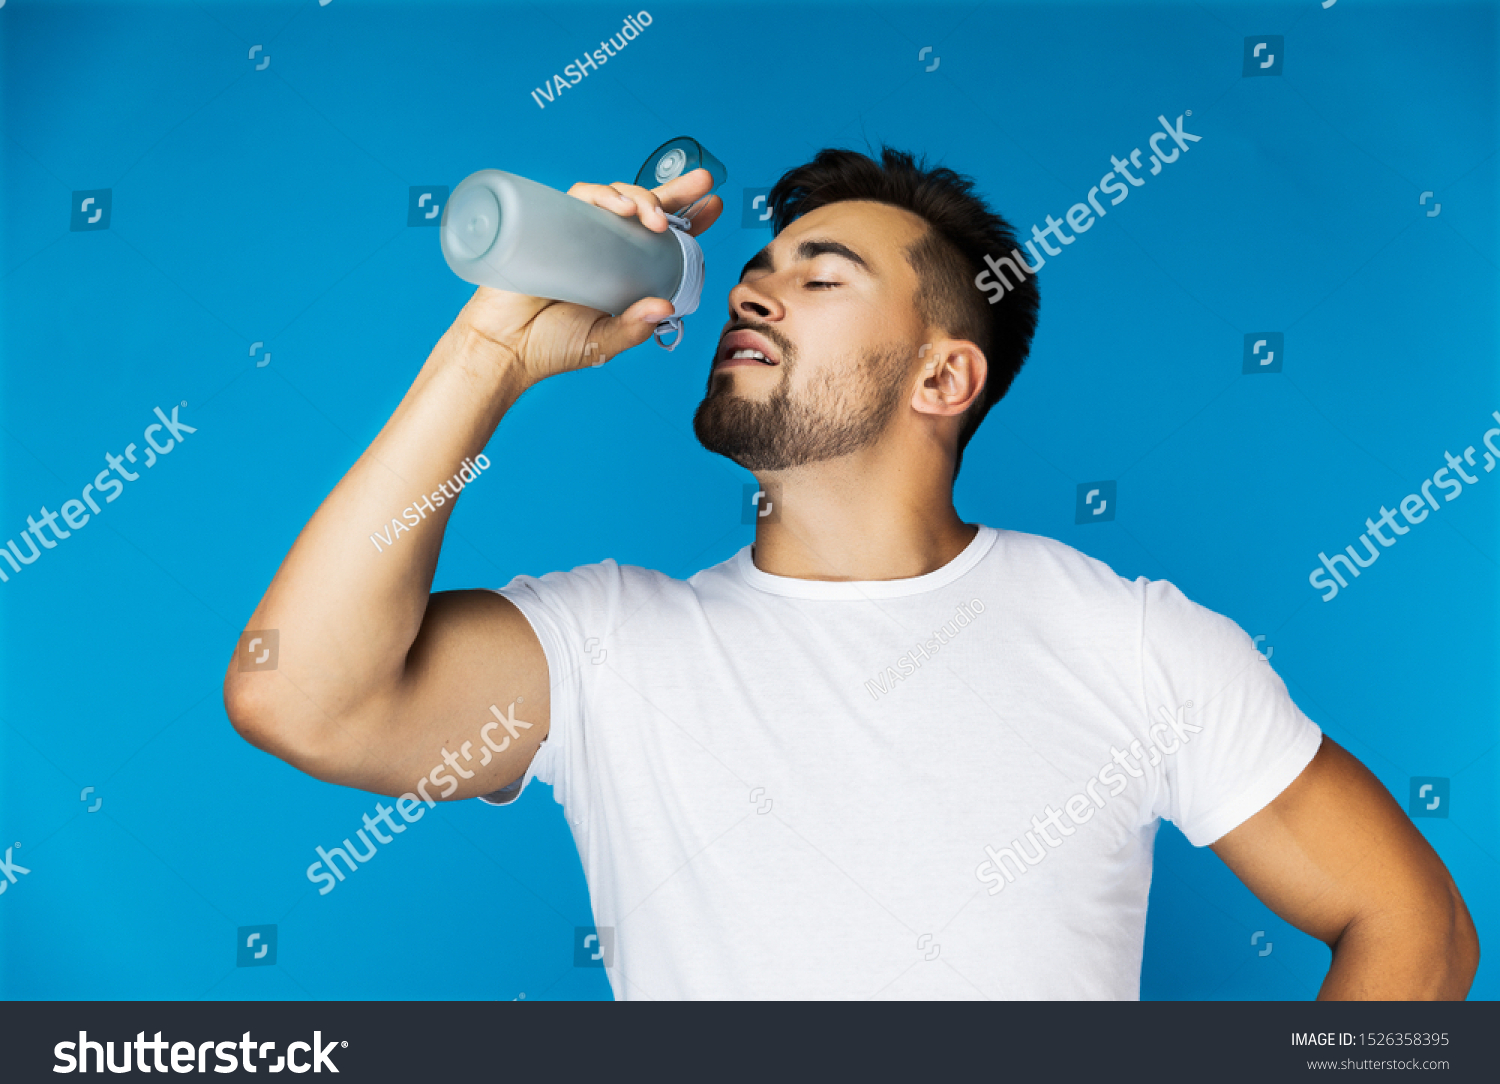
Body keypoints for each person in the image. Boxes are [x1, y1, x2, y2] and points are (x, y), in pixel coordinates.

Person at [224, 148, 1478, 1000]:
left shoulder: (1131, 641)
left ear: (944, 378)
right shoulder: (608, 645)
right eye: (758, 277)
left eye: (821, 279)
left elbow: (1414, 926)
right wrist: (490, 347)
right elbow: (299, 696)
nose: (757, 296)